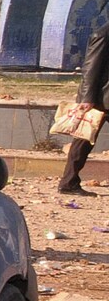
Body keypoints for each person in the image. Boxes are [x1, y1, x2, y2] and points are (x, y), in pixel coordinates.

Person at [59, 26, 109, 194]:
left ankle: (69, 182)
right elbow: (91, 67)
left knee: (82, 142)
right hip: (101, 98)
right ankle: (68, 183)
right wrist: (87, 99)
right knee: (82, 141)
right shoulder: (103, 34)